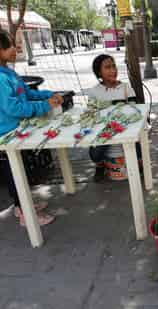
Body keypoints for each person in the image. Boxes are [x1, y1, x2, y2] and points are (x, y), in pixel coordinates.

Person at [0, 29, 64, 226]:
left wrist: (48, 94)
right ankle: (25, 214)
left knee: (22, 170)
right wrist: (45, 106)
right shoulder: (0, 79)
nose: (15, 48)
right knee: (15, 174)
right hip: (6, 136)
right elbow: (14, 108)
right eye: (9, 45)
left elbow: (27, 94)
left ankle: (23, 205)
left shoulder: (9, 73)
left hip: (18, 131)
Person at [85, 54, 141, 182]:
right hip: (105, 130)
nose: (113, 70)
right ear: (99, 72)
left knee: (138, 151)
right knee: (95, 154)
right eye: (107, 67)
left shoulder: (126, 88)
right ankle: (100, 165)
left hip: (125, 127)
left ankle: (137, 163)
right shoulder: (94, 92)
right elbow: (91, 114)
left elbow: (133, 110)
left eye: (114, 66)